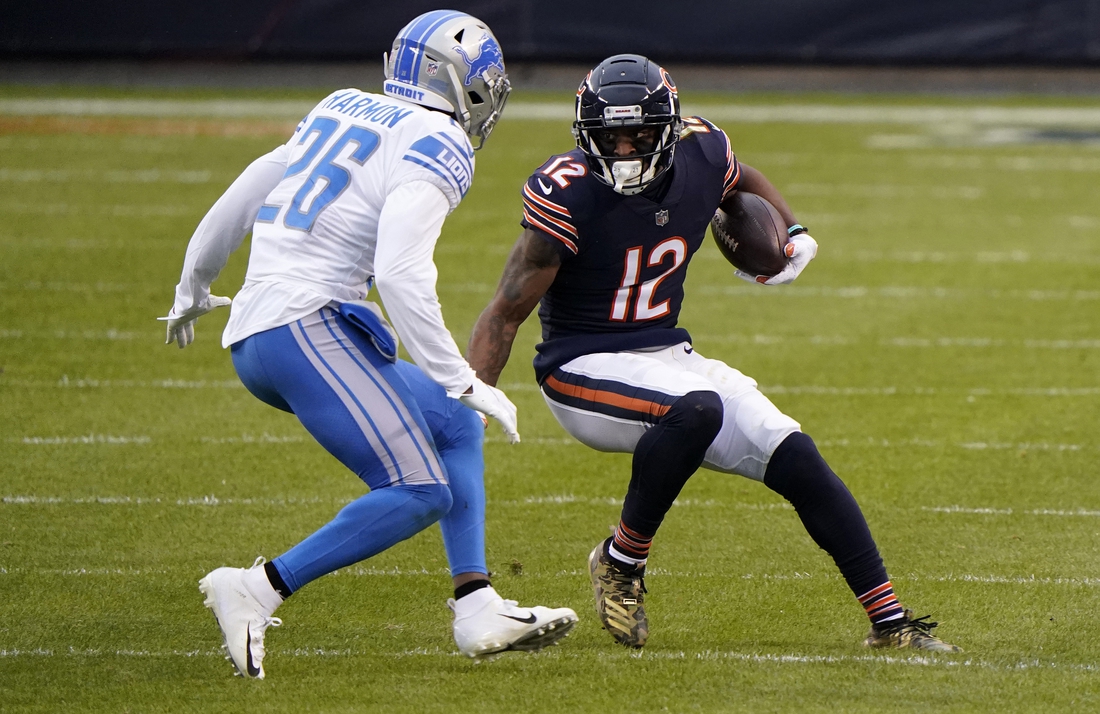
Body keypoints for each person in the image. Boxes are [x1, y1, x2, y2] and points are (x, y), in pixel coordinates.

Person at [466, 54, 959, 653]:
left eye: (639, 135)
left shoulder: (701, 151)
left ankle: (891, 625)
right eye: (609, 137)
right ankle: (622, 564)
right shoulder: (566, 192)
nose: (623, 150)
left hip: (668, 352)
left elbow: (741, 178)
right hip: (579, 365)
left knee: (794, 452)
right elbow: (504, 312)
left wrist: (792, 230)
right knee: (697, 409)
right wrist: (468, 403)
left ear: (669, 132)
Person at [160, 10, 577, 679]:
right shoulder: (440, 140)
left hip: (266, 336)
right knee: (419, 488)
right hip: (307, 330)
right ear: (458, 79)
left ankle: (477, 606)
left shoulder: (342, 105)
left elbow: (247, 188)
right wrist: (462, 375)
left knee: (453, 426)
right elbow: (402, 271)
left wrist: (193, 284)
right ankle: (258, 587)